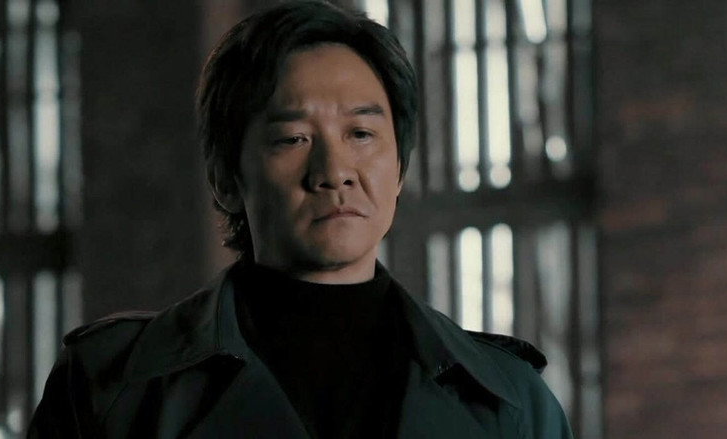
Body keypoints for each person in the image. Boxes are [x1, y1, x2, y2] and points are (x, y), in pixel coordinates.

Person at [28, 1, 572, 437]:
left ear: (400, 170)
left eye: (361, 134)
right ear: (225, 178)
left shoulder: (510, 400)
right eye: (292, 138)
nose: (334, 172)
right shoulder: (112, 387)